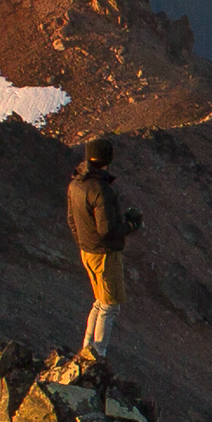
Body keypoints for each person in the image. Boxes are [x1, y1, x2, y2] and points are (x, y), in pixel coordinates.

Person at [65, 140, 139, 358]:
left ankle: (87, 350)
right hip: (104, 254)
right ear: (108, 159)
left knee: (99, 301)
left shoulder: (76, 183)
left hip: (87, 250)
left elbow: (72, 220)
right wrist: (131, 225)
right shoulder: (100, 189)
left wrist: (83, 243)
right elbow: (107, 230)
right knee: (110, 305)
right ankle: (97, 355)